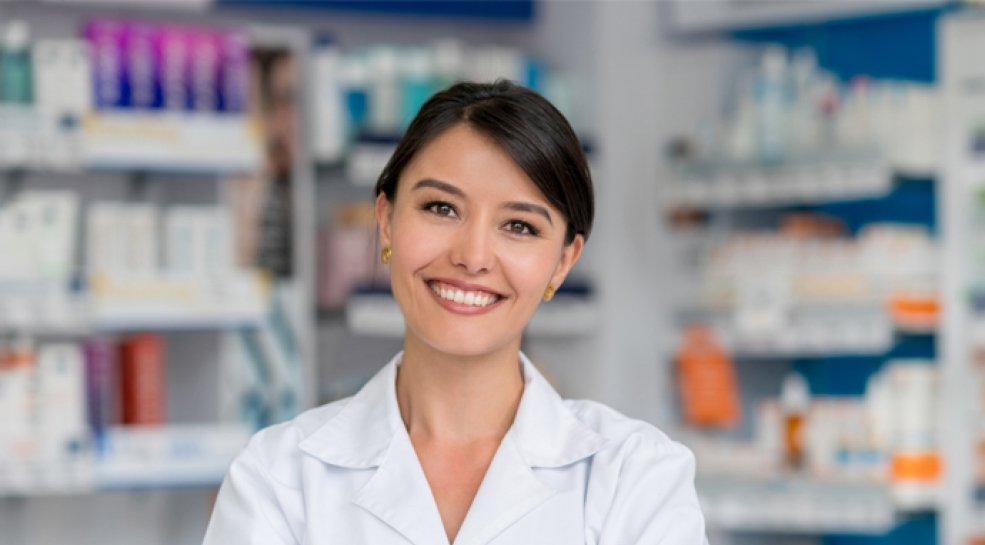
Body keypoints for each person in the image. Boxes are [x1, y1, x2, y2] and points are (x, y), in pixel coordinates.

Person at [202, 80, 708, 545]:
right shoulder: (280, 478)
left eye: (520, 226)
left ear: (563, 262)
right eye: (442, 208)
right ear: (385, 222)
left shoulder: (633, 475)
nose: (473, 256)